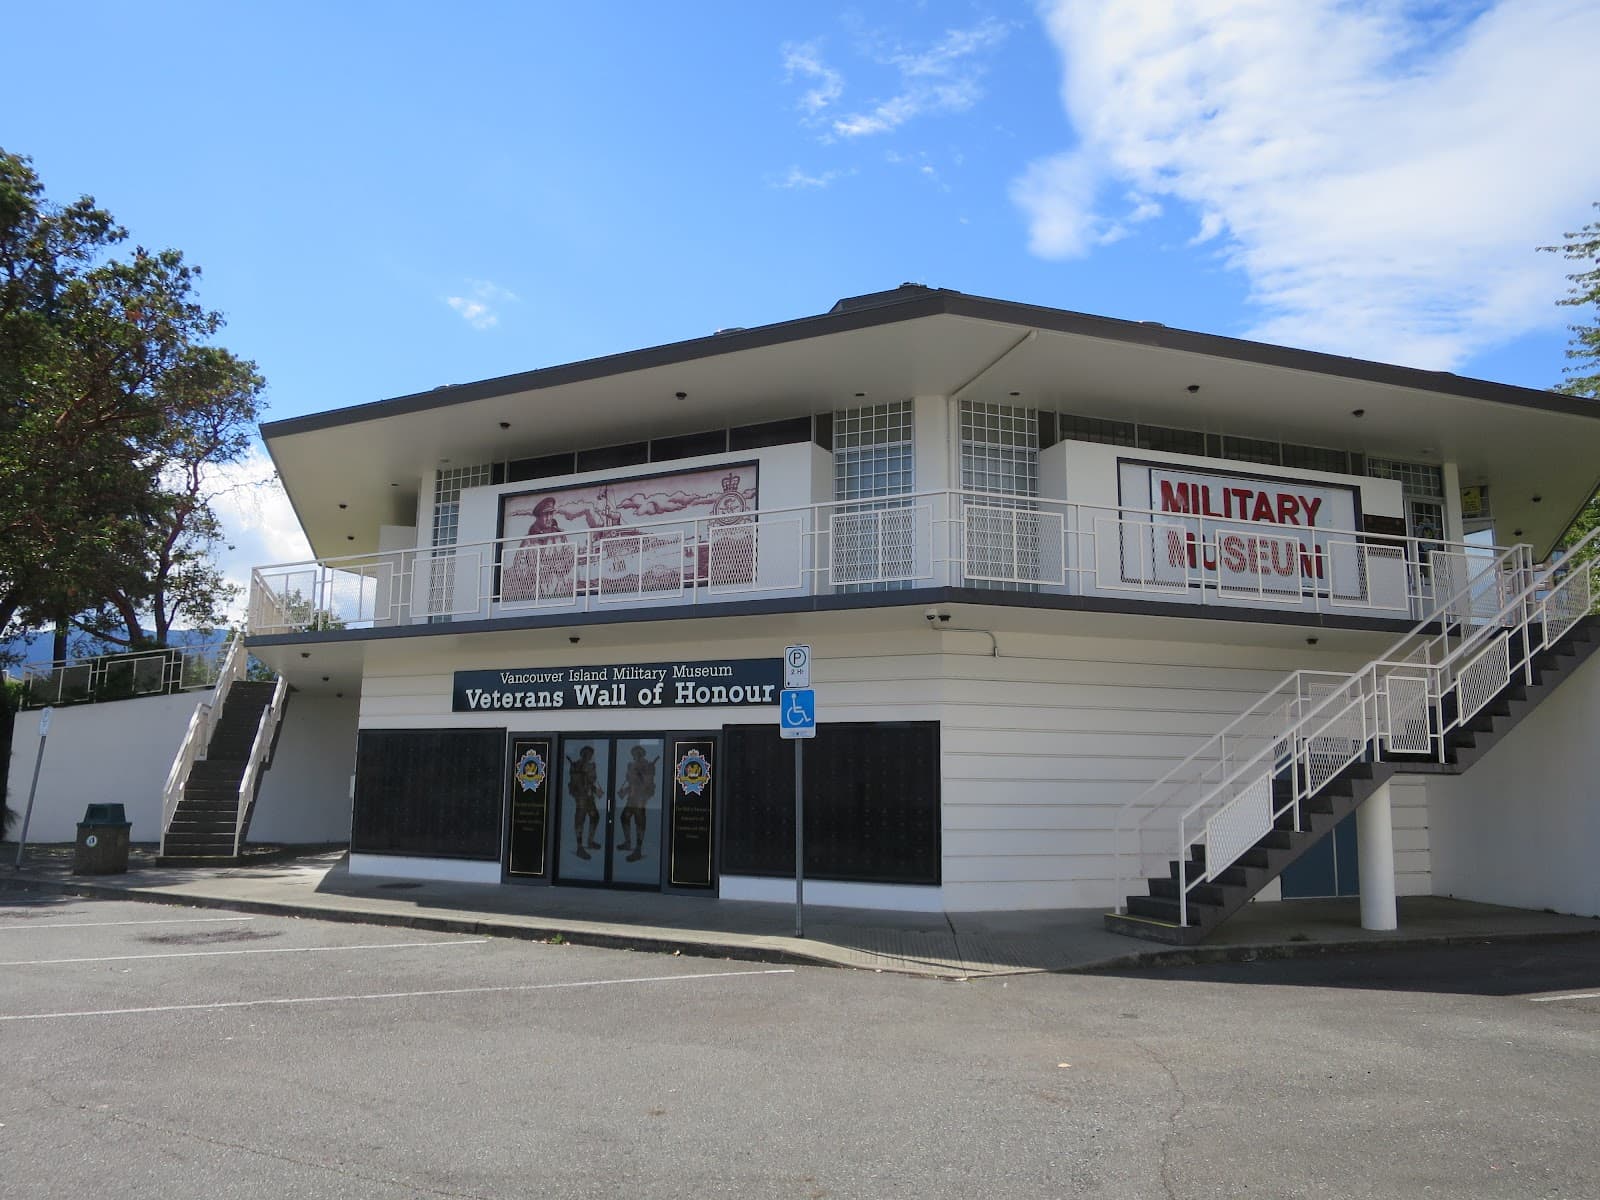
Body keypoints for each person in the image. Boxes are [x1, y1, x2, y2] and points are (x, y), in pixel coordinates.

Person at [617, 744, 659, 862]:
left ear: (642, 753)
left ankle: (638, 849)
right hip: (632, 796)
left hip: (641, 797)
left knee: (639, 821)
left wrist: (640, 774)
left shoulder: (648, 765)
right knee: (624, 817)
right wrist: (624, 791)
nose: (636, 755)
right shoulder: (631, 765)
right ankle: (627, 842)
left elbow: (648, 783)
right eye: (635, 753)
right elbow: (630, 782)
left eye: (638, 752)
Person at [565, 745, 602, 859]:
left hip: (589, 795)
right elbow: (574, 781)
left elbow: (592, 779)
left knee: (594, 816)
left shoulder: (590, 765)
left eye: (590, 754)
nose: (589, 756)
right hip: (581, 795)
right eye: (587, 754)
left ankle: (590, 841)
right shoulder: (576, 765)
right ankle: (579, 847)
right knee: (580, 819)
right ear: (583, 754)